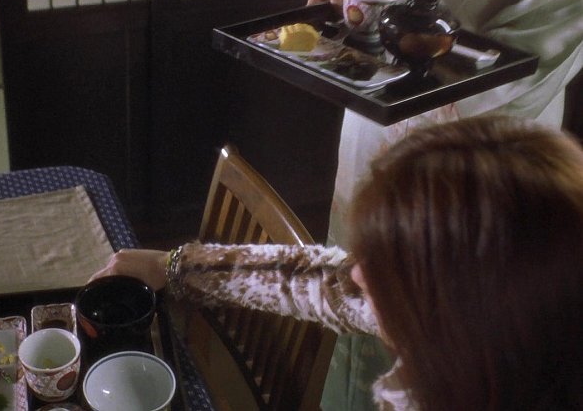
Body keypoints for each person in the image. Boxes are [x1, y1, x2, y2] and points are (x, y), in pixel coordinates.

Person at [90, 116, 583, 410]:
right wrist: (175, 266)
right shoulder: (485, 329)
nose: (359, 273)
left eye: (390, 265)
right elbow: (321, 281)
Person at [305, 0, 583, 408]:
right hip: (377, 91)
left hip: (484, 133)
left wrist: (425, 82)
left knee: (449, 304)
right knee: (360, 274)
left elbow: (554, 23)